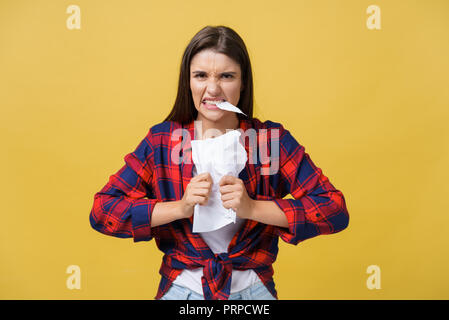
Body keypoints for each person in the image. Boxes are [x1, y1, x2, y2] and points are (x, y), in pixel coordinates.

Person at [89, 25, 350, 300]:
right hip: (182, 290)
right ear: (187, 81)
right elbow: (103, 211)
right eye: (200, 75)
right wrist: (180, 207)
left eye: (227, 76)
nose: (212, 89)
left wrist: (253, 207)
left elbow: (333, 209)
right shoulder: (161, 141)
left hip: (253, 291)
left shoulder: (271, 141)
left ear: (243, 82)